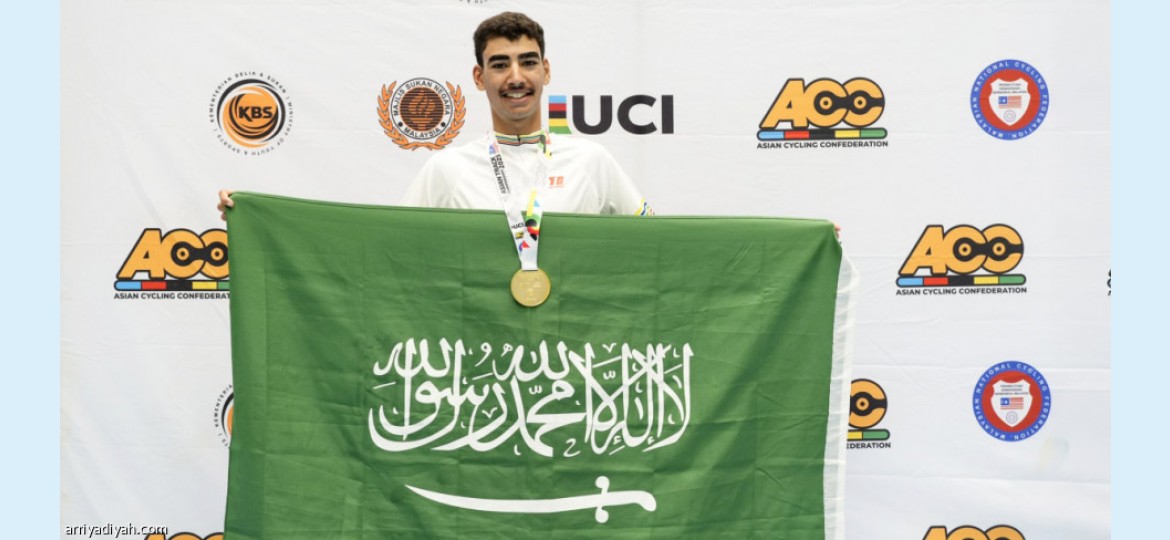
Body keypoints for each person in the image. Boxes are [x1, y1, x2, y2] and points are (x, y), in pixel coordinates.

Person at [219, 11, 651, 219]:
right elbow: (382, 249)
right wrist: (258, 216)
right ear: (479, 77)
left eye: (528, 62)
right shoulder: (448, 169)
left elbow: (657, 245)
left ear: (546, 71)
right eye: (500, 64)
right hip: (478, 354)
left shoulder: (592, 162)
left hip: (570, 351)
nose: (516, 77)